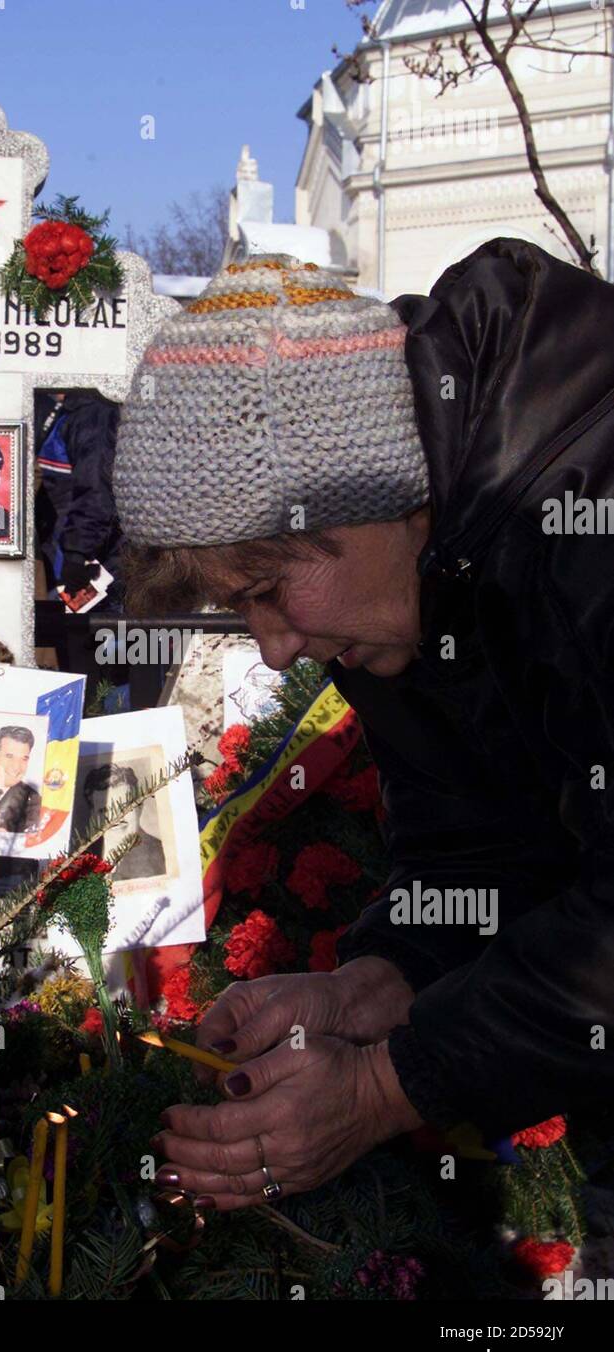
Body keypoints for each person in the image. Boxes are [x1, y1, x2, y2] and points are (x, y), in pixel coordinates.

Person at [113, 242, 614, 1212]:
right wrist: (365, 991)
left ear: (393, 501)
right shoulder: (399, 595)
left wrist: (385, 1087)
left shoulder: (584, 522)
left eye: (267, 590)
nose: (268, 648)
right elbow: (481, 850)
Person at [34, 388, 131, 699]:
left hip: (98, 568)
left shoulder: (93, 412)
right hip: (77, 564)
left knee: (104, 673)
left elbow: (97, 494)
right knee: (84, 665)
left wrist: (77, 553)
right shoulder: (66, 410)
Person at [82, 762, 167, 880]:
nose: (115, 818)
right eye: (104, 810)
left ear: (140, 805)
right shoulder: (82, 859)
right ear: (93, 815)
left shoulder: (163, 854)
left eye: (123, 807)